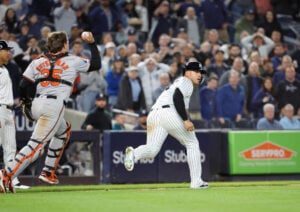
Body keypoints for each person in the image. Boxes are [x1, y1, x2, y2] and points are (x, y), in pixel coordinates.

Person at [0, 31, 101, 193]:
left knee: (63, 131)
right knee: (36, 147)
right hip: (53, 106)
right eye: (67, 42)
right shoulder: (73, 60)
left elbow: (23, 85)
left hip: (38, 103)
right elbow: (96, 64)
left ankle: (48, 171)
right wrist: (92, 43)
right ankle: (6, 174)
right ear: (64, 45)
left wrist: (26, 101)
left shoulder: (37, 61)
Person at [124, 61, 209, 189]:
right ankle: (196, 182)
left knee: (152, 150)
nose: (199, 75)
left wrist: (186, 119)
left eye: (201, 73)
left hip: (154, 114)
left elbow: (181, 105)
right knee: (192, 143)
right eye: (196, 72)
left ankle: (134, 154)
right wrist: (186, 120)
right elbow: (177, 98)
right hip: (168, 112)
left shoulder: (179, 83)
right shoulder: (186, 82)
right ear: (187, 72)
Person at [0, 40, 29, 190]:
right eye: (6, 50)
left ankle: (11, 179)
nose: (9, 53)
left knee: (10, 147)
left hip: (8, 110)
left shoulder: (5, 69)